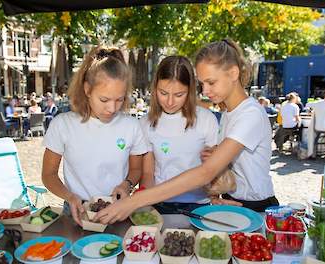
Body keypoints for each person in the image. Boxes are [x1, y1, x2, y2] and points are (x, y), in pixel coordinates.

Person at [94, 39, 278, 224]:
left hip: (256, 207)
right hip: (235, 202)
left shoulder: (250, 114)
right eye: (202, 83)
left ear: (233, 73)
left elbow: (206, 172)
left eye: (211, 82)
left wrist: (133, 201)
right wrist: (216, 194)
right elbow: (228, 170)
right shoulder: (230, 113)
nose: (205, 91)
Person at [42, 46, 148, 226]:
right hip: (77, 211)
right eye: (104, 100)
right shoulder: (62, 124)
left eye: (120, 99)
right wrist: (70, 196)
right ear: (87, 89)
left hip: (118, 210)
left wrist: (127, 184)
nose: (112, 108)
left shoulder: (132, 125)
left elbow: (136, 170)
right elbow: (48, 174)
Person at [140, 56, 219, 214]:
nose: (170, 102)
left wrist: (216, 195)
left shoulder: (206, 119)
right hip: (159, 205)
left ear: (190, 91)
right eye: (163, 93)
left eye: (178, 95)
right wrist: (143, 204)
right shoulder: (145, 123)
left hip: (199, 206)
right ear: (155, 88)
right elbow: (148, 174)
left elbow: (213, 170)